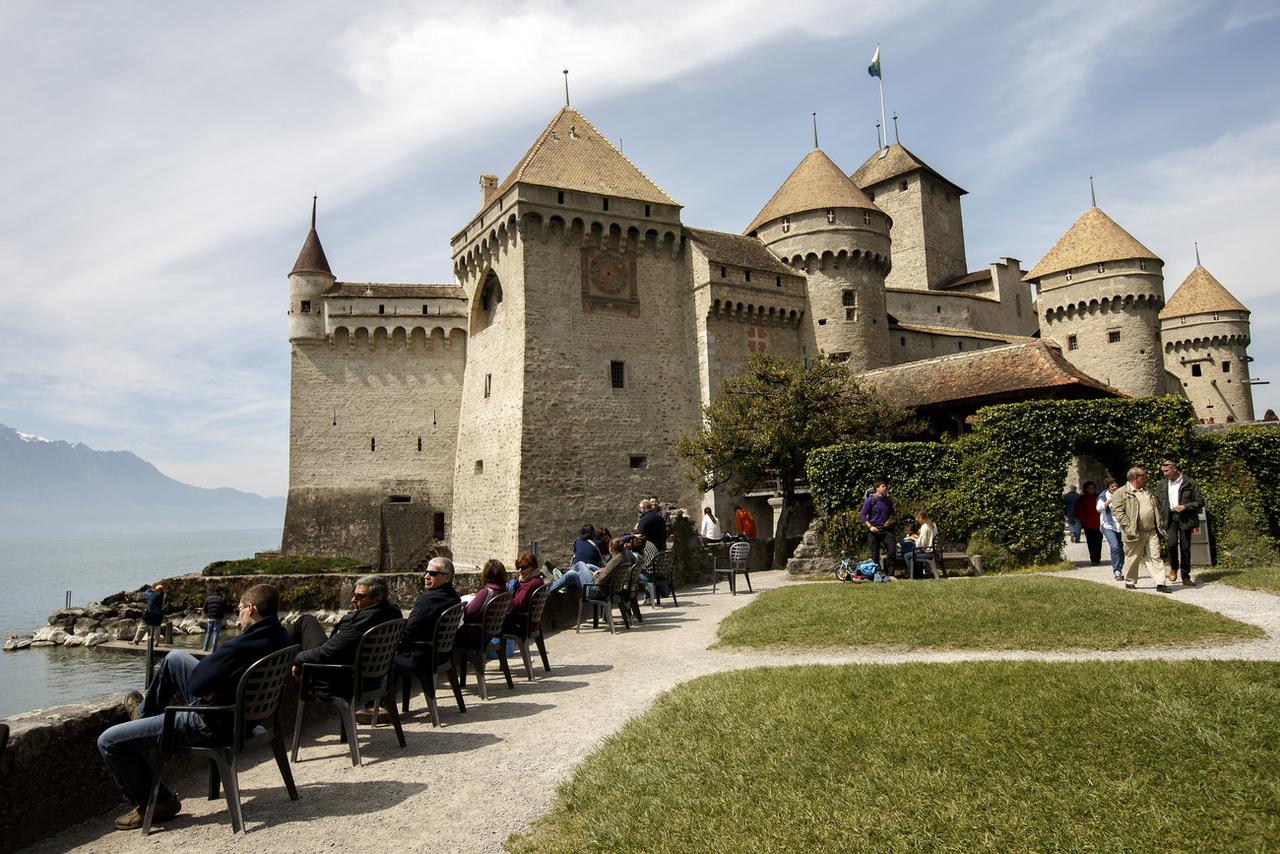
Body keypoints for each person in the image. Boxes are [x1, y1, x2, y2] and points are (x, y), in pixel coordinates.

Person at [98, 584, 292, 830]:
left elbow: (197, 683)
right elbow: (206, 681)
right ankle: (143, 715)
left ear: (252, 609)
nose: (237, 614)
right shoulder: (282, 637)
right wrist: (217, 686)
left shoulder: (239, 646)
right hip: (247, 718)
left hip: (211, 722)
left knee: (109, 741)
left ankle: (156, 801)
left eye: (240, 609)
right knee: (174, 658)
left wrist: (212, 684)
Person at [291, 575, 401, 694]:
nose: (353, 600)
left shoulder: (355, 622)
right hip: (375, 679)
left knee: (305, 620)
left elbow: (326, 654)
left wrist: (298, 659)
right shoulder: (394, 613)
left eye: (360, 597)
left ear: (377, 599)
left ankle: (278, 662)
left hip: (342, 680)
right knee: (307, 620)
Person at [1110, 467, 1171, 593]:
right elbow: (1118, 513)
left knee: (1155, 556)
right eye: (1143, 475)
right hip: (1134, 532)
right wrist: (1129, 527)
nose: (1145, 477)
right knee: (1133, 557)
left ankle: (1160, 583)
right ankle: (1130, 581)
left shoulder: (1147, 491)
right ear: (1135, 478)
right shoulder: (1121, 493)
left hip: (1151, 531)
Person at [396, 557, 462, 672]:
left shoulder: (427, 600)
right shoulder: (454, 597)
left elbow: (409, 632)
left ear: (446, 577)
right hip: (442, 654)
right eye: (426, 572)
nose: (426, 577)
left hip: (421, 656)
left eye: (432, 574)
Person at [1155, 458, 1205, 587]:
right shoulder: (1161, 484)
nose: (1164, 474)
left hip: (1185, 518)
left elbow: (1200, 501)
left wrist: (1185, 506)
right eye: (1163, 471)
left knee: (1185, 547)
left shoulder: (1189, 482)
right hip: (1170, 517)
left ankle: (1185, 575)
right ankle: (1173, 568)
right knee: (1171, 544)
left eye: (1166, 471)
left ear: (1174, 468)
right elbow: (1158, 502)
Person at [549, 524, 607, 594]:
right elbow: (599, 560)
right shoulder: (598, 543)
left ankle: (555, 585)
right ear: (592, 533)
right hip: (590, 578)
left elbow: (576, 553)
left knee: (579, 564)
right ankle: (558, 583)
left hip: (591, 585)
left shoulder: (577, 542)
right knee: (574, 572)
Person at [503, 552, 546, 637]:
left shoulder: (530, 584)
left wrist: (502, 596)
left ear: (532, 567)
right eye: (518, 567)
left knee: (489, 624)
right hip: (532, 622)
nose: (520, 570)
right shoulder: (538, 580)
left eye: (523, 567)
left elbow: (515, 606)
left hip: (522, 624)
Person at [859, 482, 896, 573]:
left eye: (885, 486)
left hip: (886, 530)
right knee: (875, 554)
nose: (885, 488)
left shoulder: (888, 500)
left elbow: (893, 514)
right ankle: (875, 573)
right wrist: (870, 526)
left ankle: (890, 573)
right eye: (883, 486)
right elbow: (862, 515)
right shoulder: (870, 500)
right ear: (877, 488)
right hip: (873, 530)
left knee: (891, 550)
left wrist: (889, 521)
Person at [1098, 477, 1125, 581]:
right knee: (1115, 546)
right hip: (1108, 525)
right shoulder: (1103, 496)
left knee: (1121, 548)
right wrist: (1110, 500)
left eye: (1116, 486)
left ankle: (1120, 567)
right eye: (1112, 486)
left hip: (1120, 525)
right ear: (1108, 487)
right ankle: (1117, 570)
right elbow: (1099, 508)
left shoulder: (1122, 494)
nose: (1114, 488)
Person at [1074, 481, 1103, 566]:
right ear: (1086, 489)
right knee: (1091, 542)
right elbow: (1078, 511)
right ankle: (1093, 559)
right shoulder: (1082, 499)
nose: (1092, 490)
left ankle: (1097, 558)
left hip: (1099, 523)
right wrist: (1083, 520)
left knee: (1098, 541)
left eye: (1093, 488)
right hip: (1088, 524)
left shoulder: (1099, 497)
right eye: (1090, 488)